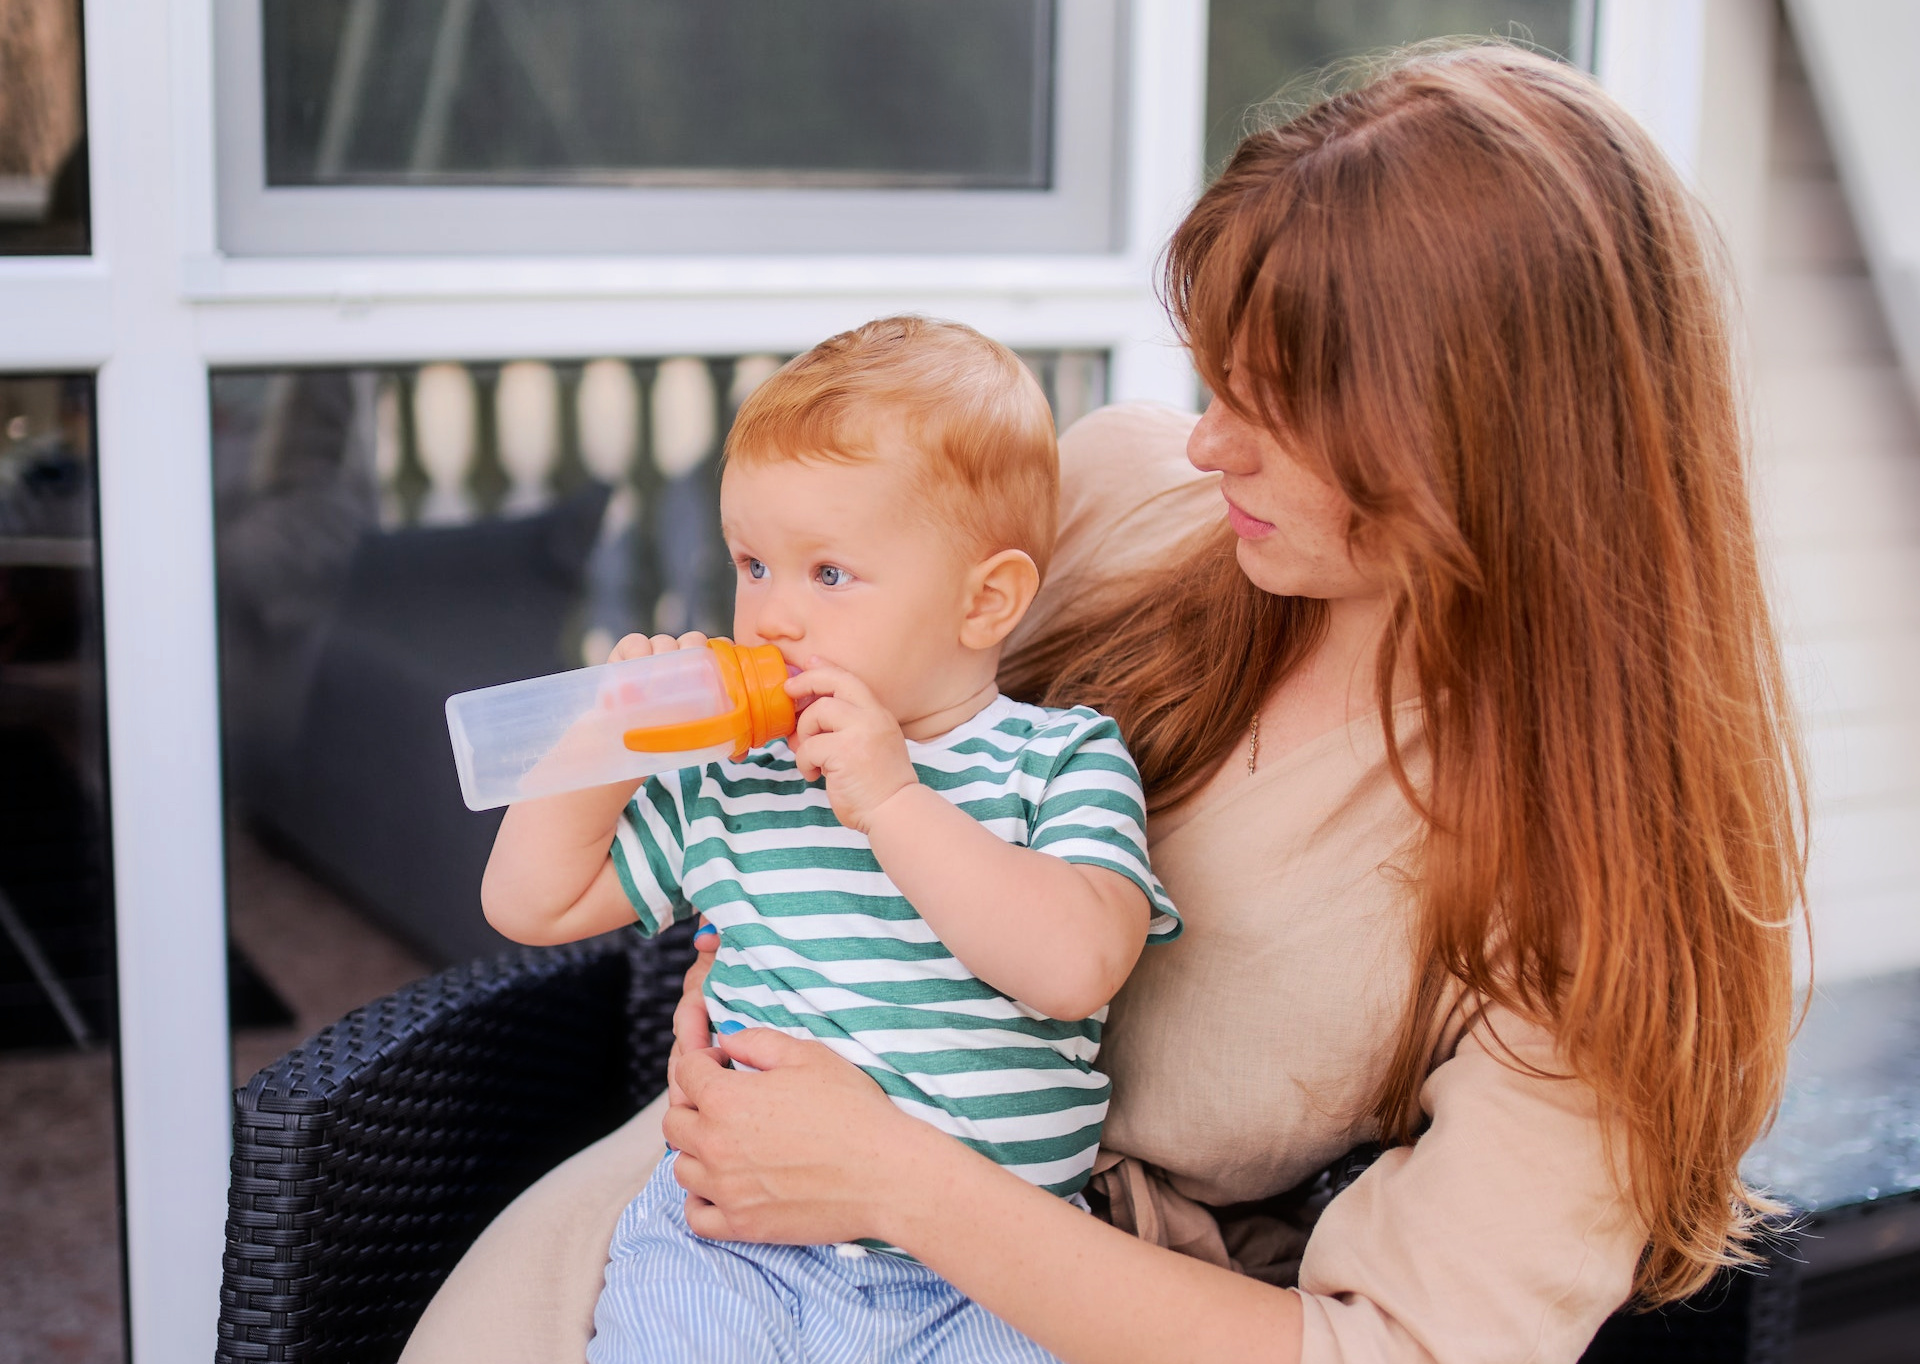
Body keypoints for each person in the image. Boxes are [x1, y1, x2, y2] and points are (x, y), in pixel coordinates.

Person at [402, 43, 1804, 1364]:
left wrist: (900, 1180)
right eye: (1216, 375)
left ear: (1490, 439)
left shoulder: (1595, 892)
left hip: (1036, 1305)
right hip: (708, 1213)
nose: (1208, 440)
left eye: (1282, 406)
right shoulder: (1127, 499)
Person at [479, 316, 1179, 1363]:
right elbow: (530, 903)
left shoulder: (1057, 760)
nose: (769, 620)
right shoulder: (734, 782)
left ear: (985, 600)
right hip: (733, 1251)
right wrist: (606, 745)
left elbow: (1075, 966)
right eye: (752, 565)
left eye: (829, 575)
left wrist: (892, 798)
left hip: (987, 1275)